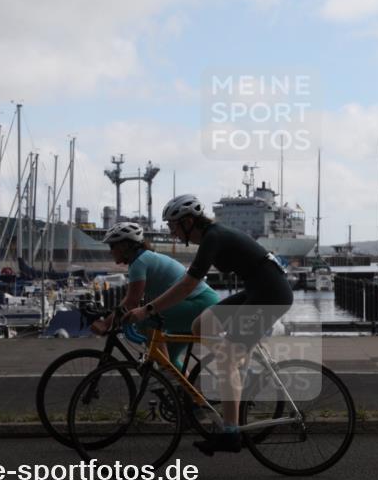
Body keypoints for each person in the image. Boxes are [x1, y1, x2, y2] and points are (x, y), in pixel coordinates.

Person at [125, 195, 293, 455]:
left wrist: (148, 309)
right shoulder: (211, 237)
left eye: (174, 226)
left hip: (270, 295)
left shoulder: (213, 237)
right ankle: (237, 373)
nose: (172, 232)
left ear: (189, 222)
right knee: (201, 325)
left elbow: (187, 285)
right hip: (256, 291)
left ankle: (230, 433)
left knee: (225, 358)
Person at [92, 222, 219, 371]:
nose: (110, 251)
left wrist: (106, 323)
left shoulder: (139, 263)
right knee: (169, 358)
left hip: (199, 303)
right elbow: (130, 299)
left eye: (112, 246)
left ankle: (164, 374)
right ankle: (180, 391)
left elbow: (131, 303)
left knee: (145, 319)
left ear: (124, 246)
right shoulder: (145, 259)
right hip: (202, 303)